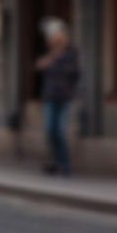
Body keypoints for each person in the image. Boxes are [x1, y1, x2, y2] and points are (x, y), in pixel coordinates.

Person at [34, 19, 80, 176]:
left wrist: (53, 62)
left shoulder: (70, 53)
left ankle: (64, 165)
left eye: (53, 35)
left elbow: (73, 72)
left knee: (60, 131)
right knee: (49, 130)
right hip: (49, 96)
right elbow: (39, 66)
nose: (51, 39)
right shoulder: (49, 54)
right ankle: (54, 161)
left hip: (63, 96)